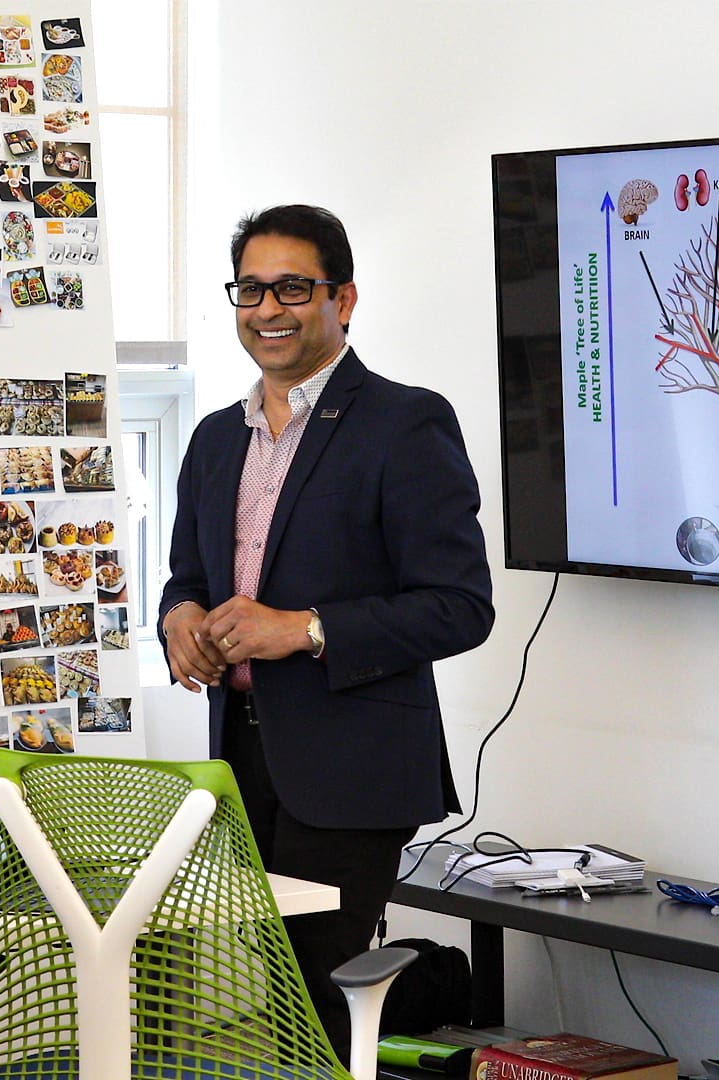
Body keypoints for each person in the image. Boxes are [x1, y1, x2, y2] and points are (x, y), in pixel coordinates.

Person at [158, 204, 494, 1049]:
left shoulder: (403, 422)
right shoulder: (211, 439)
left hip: (351, 768)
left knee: (313, 1003)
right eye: (251, 289)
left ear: (343, 299)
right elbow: (187, 578)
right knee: (270, 999)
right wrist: (179, 618)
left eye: (293, 289)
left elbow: (461, 605)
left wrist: (303, 630)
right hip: (241, 757)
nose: (268, 310)